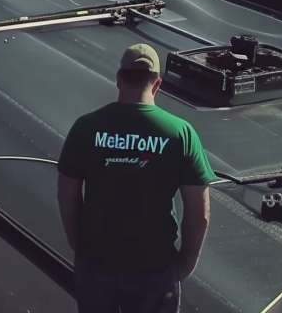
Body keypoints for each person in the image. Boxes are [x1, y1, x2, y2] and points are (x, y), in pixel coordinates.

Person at [57, 44, 215, 313]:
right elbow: (198, 213)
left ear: (119, 78)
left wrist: (78, 243)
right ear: (157, 84)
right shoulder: (181, 134)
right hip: (154, 268)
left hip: (96, 263)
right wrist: (184, 264)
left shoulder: (87, 127)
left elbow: (67, 194)